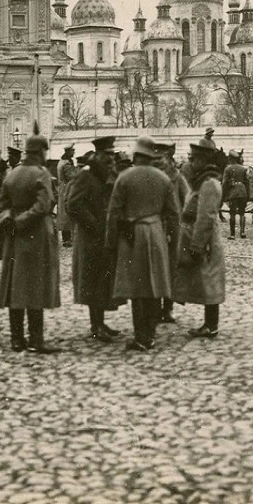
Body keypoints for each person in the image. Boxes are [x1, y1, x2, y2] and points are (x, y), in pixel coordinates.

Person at [106, 136, 179, 352]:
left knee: (137, 287)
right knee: (155, 283)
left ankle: (141, 336)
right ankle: (151, 333)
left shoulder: (125, 177)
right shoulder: (163, 178)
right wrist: (173, 242)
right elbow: (174, 214)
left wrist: (110, 242)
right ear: (152, 156)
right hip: (156, 233)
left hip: (132, 234)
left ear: (136, 155)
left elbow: (113, 212)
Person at [0, 127, 60, 354]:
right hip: (36, 235)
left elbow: (1, 205)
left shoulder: (11, 174)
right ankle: (35, 339)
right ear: (40, 151)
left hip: (14, 239)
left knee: (16, 286)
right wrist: (22, 221)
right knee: (35, 287)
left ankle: (16, 339)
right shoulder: (41, 173)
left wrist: (9, 221)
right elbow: (44, 205)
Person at [67, 136, 121, 342]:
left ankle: (100, 322)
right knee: (92, 279)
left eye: (111, 155)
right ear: (97, 155)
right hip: (90, 236)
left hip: (104, 235)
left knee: (102, 279)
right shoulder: (86, 175)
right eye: (107, 155)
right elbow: (73, 204)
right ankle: (95, 325)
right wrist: (94, 224)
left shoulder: (107, 174)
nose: (110, 159)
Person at [174, 140, 226, 338]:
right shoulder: (202, 181)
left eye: (193, 159)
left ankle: (211, 325)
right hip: (202, 237)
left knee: (210, 280)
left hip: (207, 240)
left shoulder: (209, 184)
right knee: (207, 280)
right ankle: (209, 324)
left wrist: (197, 244)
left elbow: (207, 216)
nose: (190, 162)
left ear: (203, 160)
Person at [152, 141, 190, 324]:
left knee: (170, 267)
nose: (158, 161)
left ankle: (167, 308)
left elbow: (188, 198)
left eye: (161, 158)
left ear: (168, 159)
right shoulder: (149, 176)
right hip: (153, 227)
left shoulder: (177, 177)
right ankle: (152, 308)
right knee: (152, 268)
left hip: (173, 229)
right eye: (155, 158)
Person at [222, 149, 249, 240]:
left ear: (230, 159)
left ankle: (232, 234)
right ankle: (242, 232)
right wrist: (247, 194)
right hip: (242, 191)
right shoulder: (243, 168)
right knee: (242, 213)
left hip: (233, 192)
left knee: (232, 213)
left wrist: (223, 194)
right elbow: (247, 182)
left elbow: (224, 182)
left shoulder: (227, 169)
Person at [57, 144, 78, 248]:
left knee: (64, 215)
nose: (74, 152)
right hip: (68, 190)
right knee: (67, 216)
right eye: (73, 150)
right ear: (68, 151)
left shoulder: (61, 162)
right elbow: (72, 177)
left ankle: (66, 238)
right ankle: (68, 239)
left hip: (62, 190)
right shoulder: (67, 164)